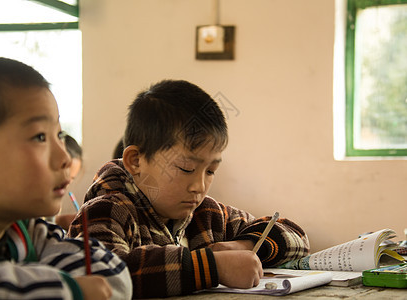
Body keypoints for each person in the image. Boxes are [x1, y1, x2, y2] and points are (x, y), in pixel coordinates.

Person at [68, 80, 310, 298]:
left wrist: (242, 245)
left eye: (211, 171)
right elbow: (106, 274)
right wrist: (212, 267)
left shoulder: (208, 214)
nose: (200, 186)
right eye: (185, 168)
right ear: (136, 161)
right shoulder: (108, 211)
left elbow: (297, 237)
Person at [0, 56, 132, 300]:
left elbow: (109, 274)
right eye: (40, 137)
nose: (65, 159)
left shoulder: (27, 232)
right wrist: (72, 290)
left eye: (59, 134)